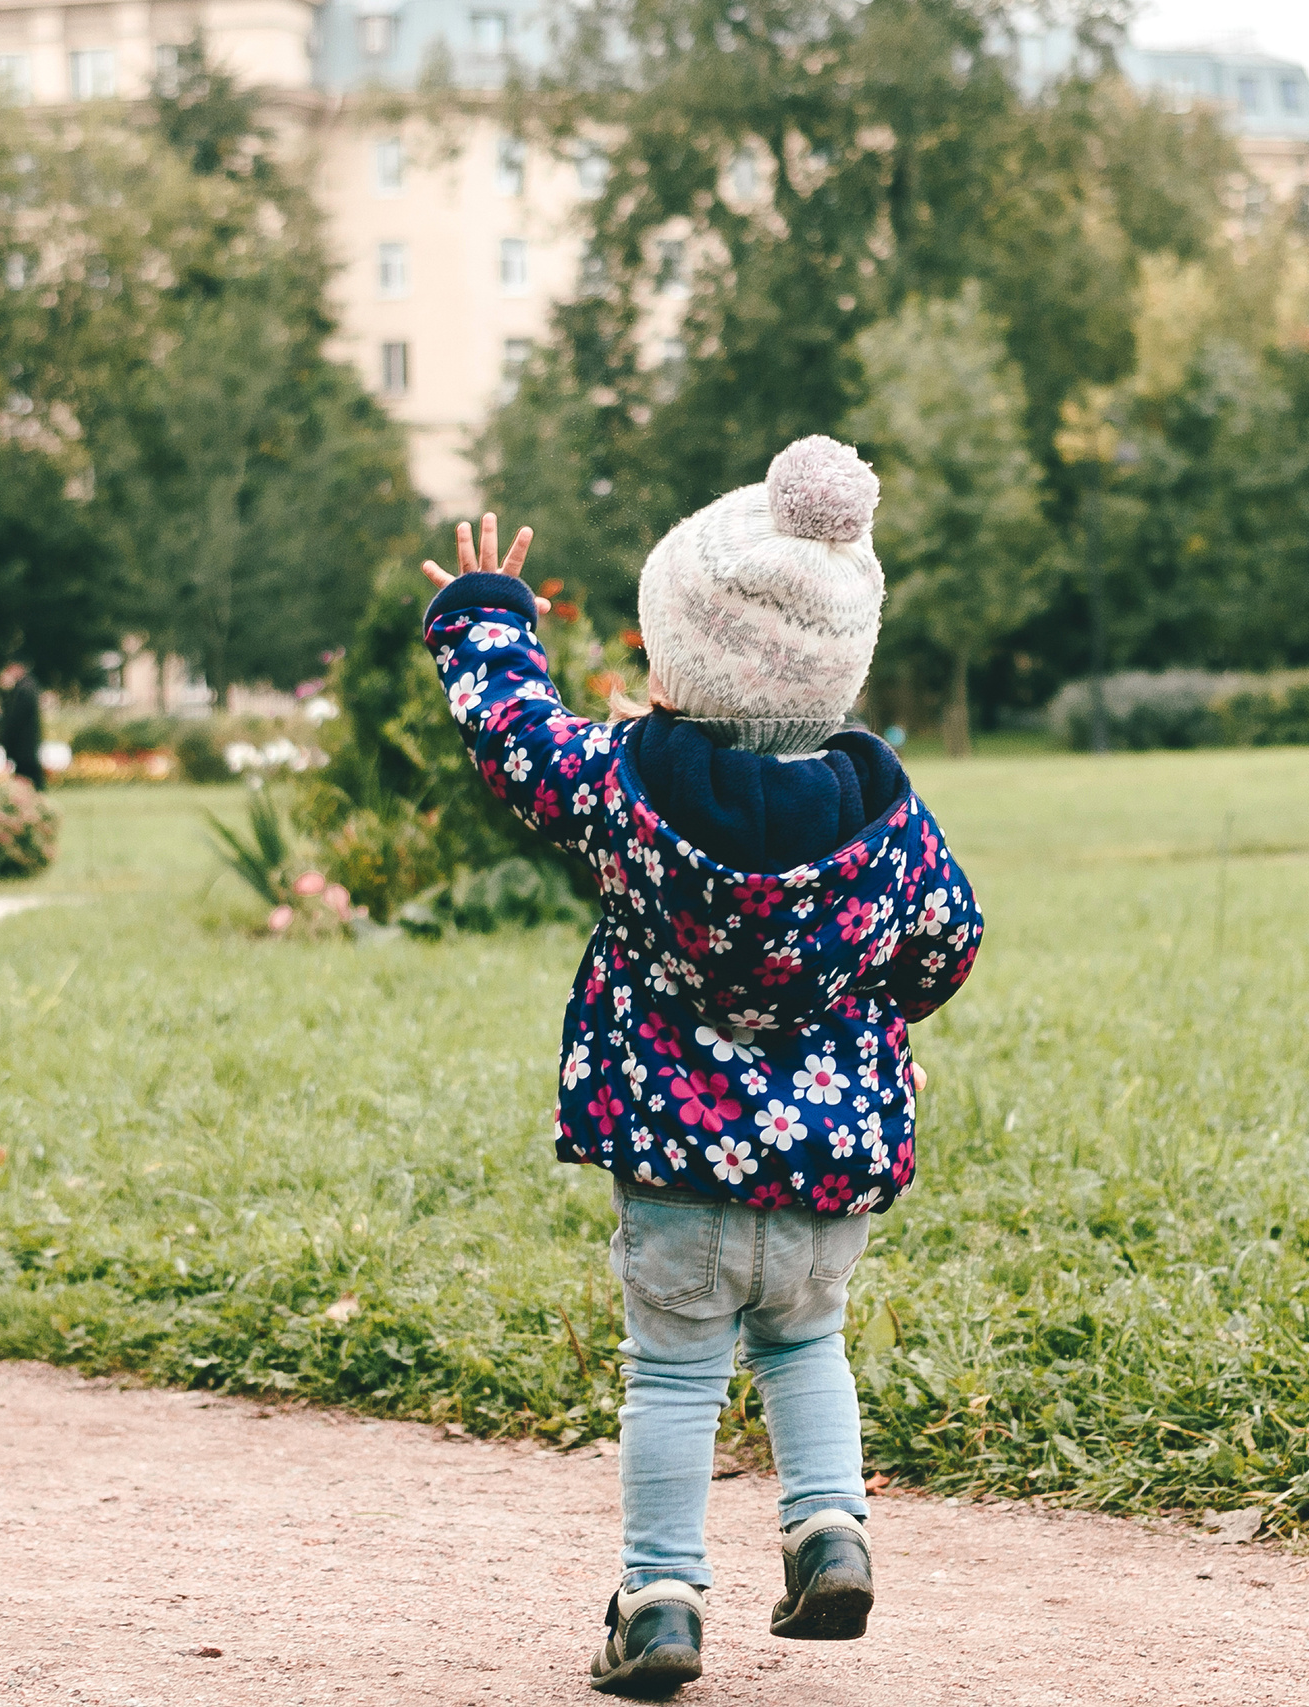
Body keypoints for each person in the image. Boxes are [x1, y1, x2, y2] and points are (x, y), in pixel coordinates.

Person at [418, 437, 983, 1699]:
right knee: (805, 1345)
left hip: (674, 1157)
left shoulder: (625, 786)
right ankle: (828, 1528)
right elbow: (948, 941)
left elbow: (514, 740)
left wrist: (486, 620)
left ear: (677, 657)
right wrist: (885, 1018)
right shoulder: (886, 815)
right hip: (828, 1163)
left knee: (672, 1374)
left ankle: (662, 1601)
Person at [0, 660, 46, 791]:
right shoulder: (27, 686)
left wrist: (5, 692)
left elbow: (14, 717)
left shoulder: (23, 689)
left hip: (23, 742)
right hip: (26, 742)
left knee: (27, 775)